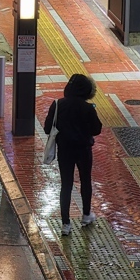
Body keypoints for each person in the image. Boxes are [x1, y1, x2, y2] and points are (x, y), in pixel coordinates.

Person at [44, 74, 102, 236]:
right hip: (83, 150)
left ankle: (65, 224)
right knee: (85, 181)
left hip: (65, 150)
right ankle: (86, 215)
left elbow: (48, 128)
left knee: (66, 185)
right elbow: (97, 129)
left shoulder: (57, 104)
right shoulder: (88, 108)